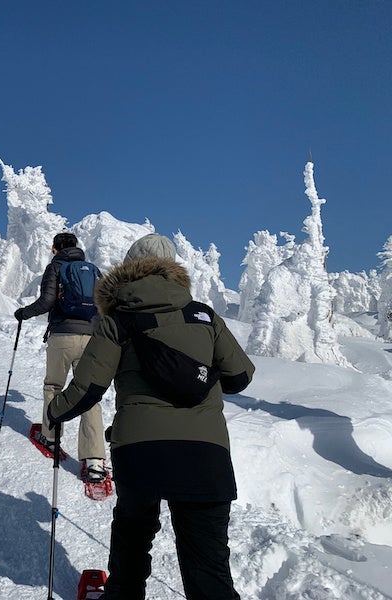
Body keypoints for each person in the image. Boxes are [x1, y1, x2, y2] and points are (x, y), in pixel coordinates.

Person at [47, 233, 255, 600]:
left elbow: (88, 389)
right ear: (174, 271)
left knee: (132, 540)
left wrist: (55, 410)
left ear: (128, 270)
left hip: (140, 451)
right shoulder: (205, 315)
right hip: (205, 455)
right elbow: (241, 377)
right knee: (208, 567)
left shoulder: (117, 321)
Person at [13, 232, 107, 483]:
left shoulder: (55, 267)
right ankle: (95, 461)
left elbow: (46, 301)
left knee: (53, 386)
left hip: (62, 336)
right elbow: (105, 306)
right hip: (91, 339)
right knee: (89, 394)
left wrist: (24, 313)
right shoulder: (94, 270)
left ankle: (51, 437)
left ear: (56, 249)